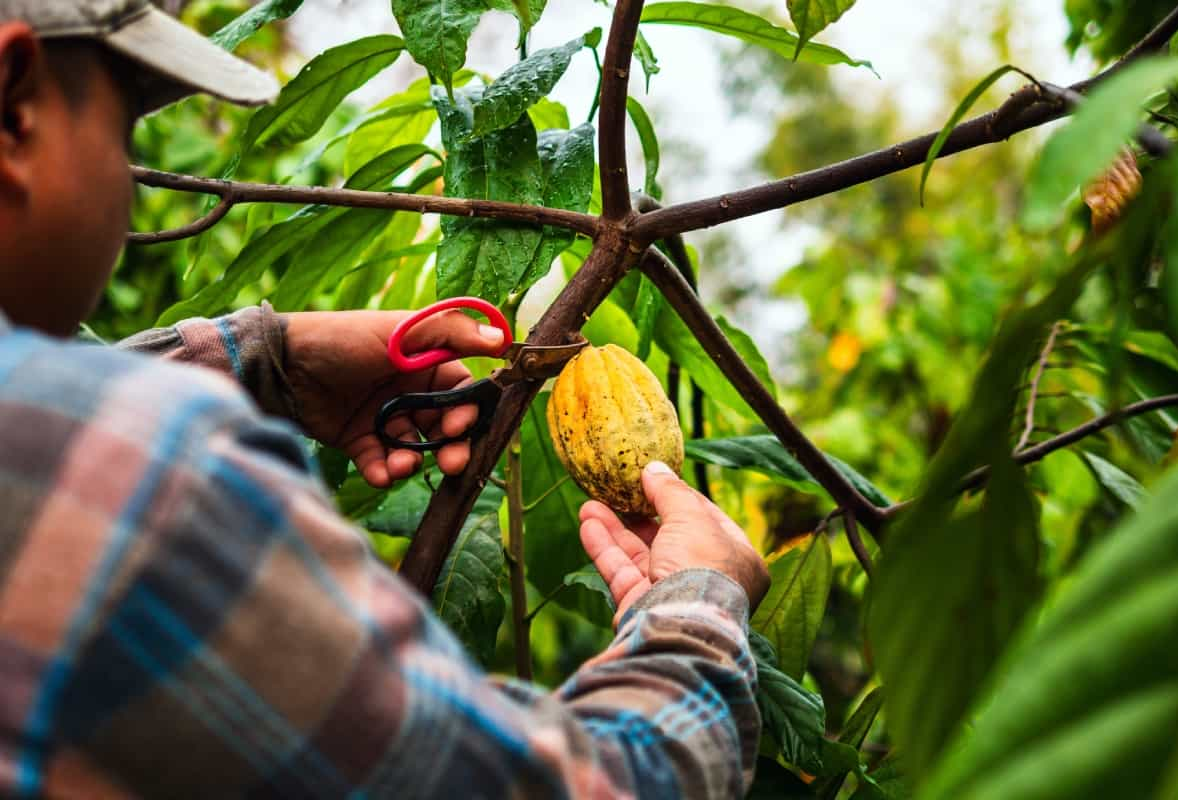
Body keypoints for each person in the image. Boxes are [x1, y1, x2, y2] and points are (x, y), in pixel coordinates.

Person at [0, 1, 771, 797]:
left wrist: (267, 357)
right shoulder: (143, 465)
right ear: (14, 105)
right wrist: (700, 614)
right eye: (123, 133)